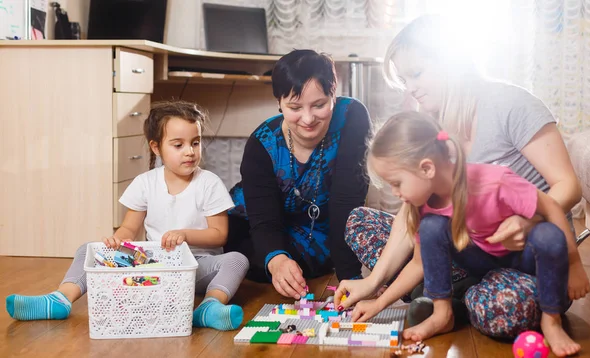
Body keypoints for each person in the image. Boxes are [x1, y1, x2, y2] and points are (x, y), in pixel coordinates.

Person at [340, 14, 583, 336]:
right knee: (362, 221)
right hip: (471, 249)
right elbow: (413, 216)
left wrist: (528, 222)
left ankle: (453, 296)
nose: (411, 89)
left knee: (501, 309)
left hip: (527, 254)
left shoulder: (512, 104)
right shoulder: (429, 124)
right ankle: (450, 292)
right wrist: (372, 282)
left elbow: (568, 185)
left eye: (416, 74)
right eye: (404, 79)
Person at [339, 112, 589, 356]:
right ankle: (442, 311)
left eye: (397, 183)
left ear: (426, 168)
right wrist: (378, 301)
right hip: (476, 262)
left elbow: (552, 207)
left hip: (522, 264)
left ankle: (551, 319)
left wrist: (575, 265)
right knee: (429, 227)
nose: (395, 193)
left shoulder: (495, 182)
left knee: (547, 235)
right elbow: (419, 262)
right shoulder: (424, 204)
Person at [6, 101, 249, 331]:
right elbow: (128, 230)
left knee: (237, 260)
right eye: (178, 145)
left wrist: (184, 235)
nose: (189, 152)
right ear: (156, 147)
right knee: (87, 249)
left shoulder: (209, 183)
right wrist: (116, 241)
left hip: (197, 268)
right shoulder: (144, 183)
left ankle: (209, 307)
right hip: (153, 264)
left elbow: (219, 235)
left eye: (195, 143)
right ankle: (60, 299)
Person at [225, 49, 370, 299]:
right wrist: (276, 259)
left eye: (319, 105)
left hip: (322, 228)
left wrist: (350, 279)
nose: (308, 119)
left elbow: (346, 201)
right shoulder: (262, 143)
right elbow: (264, 219)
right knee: (245, 257)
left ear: (333, 95)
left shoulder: (351, 117)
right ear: (279, 103)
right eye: (294, 107)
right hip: (259, 222)